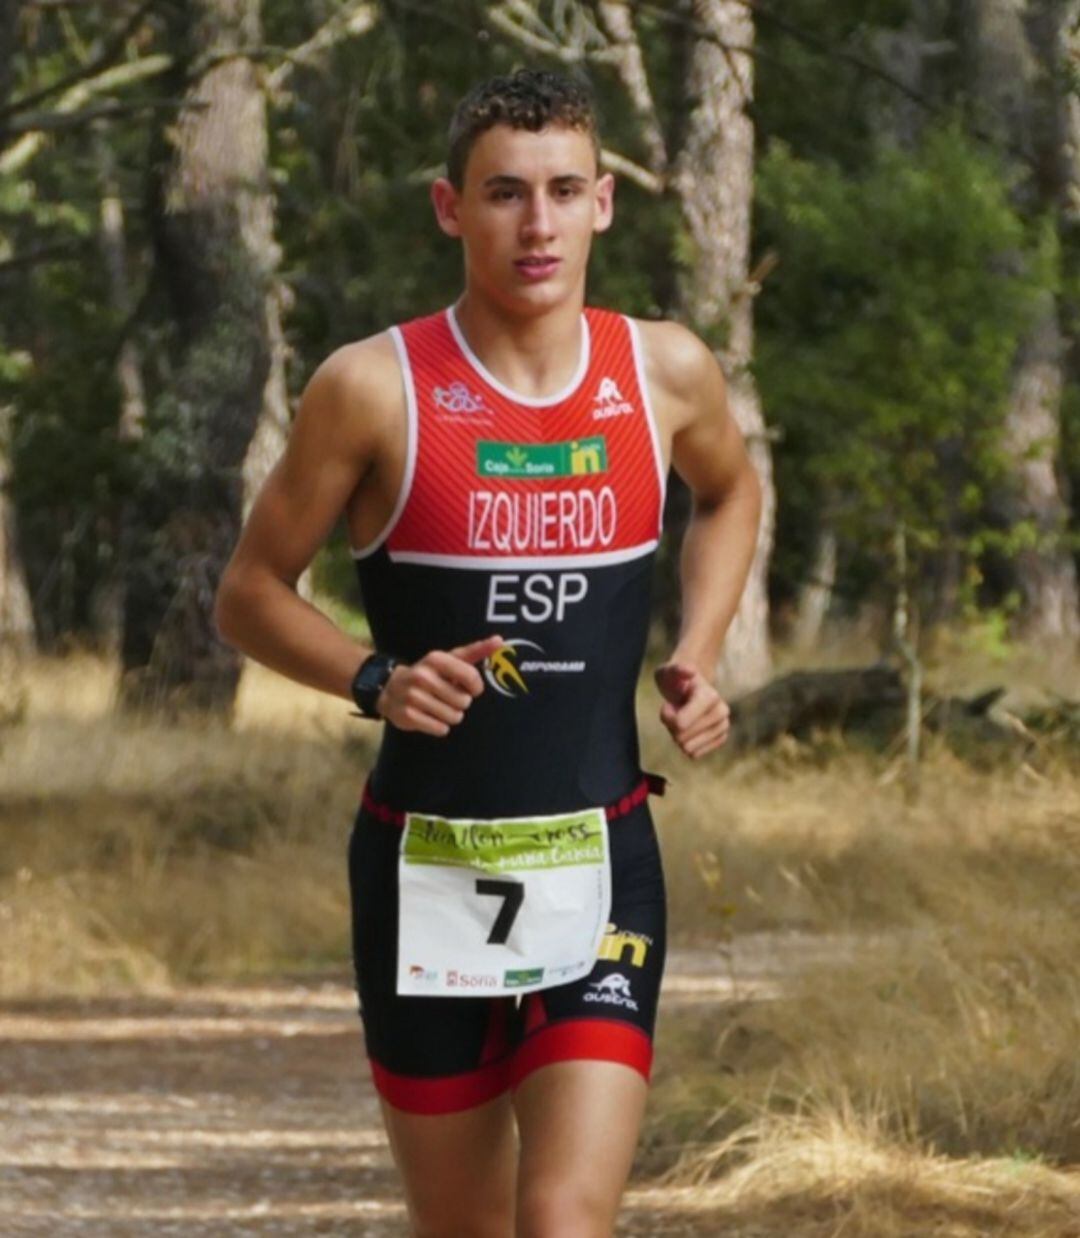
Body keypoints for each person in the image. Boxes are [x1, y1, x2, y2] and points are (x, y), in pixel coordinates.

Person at [215, 68, 761, 1238]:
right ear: (449, 207)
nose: (539, 223)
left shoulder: (661, 372)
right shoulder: (371, 387)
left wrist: (699, 651)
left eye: (565, 191)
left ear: (605, 203)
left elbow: (731, 491)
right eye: (506, 193)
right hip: (426, 871)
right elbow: (250, 592)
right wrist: (374, 676)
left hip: (602, 853)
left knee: (565, 1218)